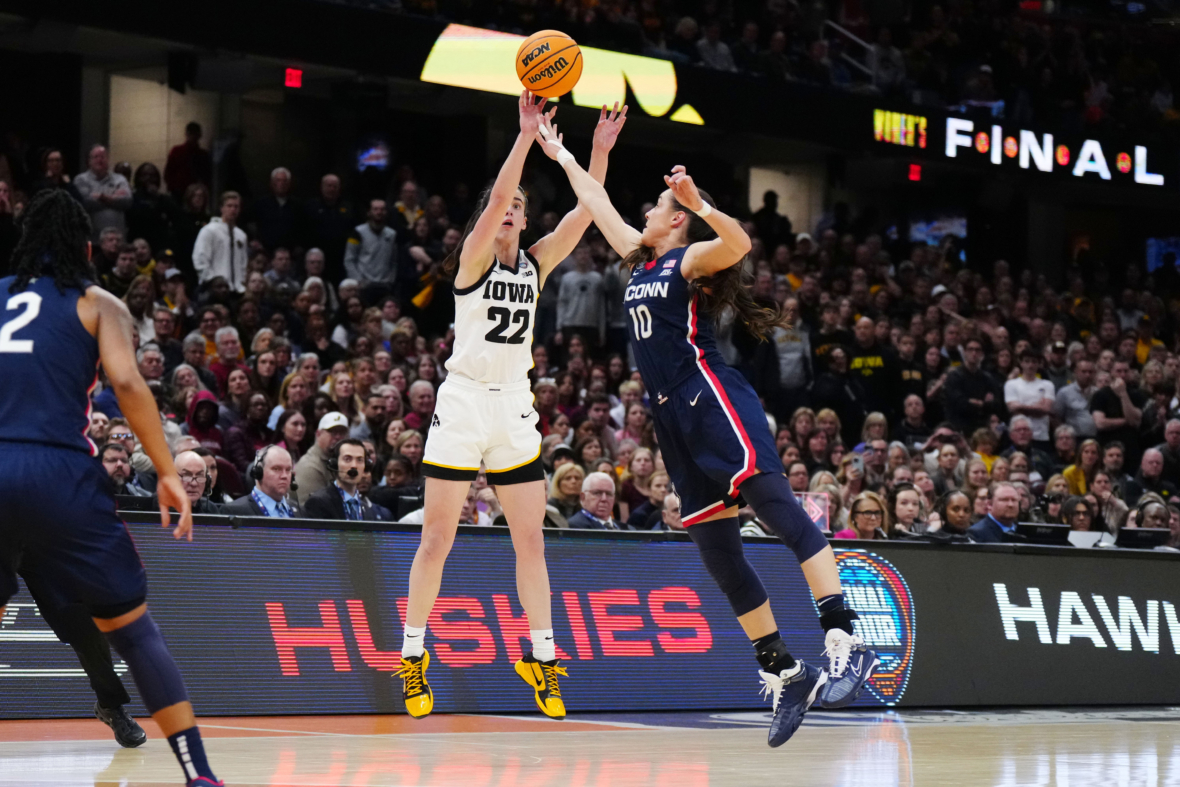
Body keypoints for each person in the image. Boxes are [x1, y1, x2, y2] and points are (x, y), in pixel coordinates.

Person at [537, 119, 877, 748]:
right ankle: (784, 669)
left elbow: (741, 244)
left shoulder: (690, 258)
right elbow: (595, 202)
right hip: (671, 418)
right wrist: (566, 151)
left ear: (674, 221)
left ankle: (846, 634)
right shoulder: (639, 261)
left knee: (774, 505)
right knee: (718, 553)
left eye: (656, 207)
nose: (644, 211)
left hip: (710, 396)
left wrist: (700, 204)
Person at [398, 94, 626, 723]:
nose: (510, 211)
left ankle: (542, 657)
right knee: (437, 538)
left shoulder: (537, 262)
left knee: (531, 540)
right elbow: (497, 197)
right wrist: (526, 137)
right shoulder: (471, 260)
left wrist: (598, 153)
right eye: (505, 206)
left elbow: (588, 212)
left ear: (525, 224)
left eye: (520, 208)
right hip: (463, 402)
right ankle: (413, 655)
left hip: (514, 409)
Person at [0, 190, 220, 787]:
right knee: (133, 629)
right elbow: (125, 381)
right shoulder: (99, 303)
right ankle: (198, 774)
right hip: (58, 475)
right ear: (88, 249)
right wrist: (168, 471)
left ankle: (118, 711)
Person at [302, 439, 389, 520]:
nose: (354, 465)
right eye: (347, 459)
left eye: (359, 460)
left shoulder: (366, 507)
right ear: (335, 464)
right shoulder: (319, 502)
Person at [75, 145, 132, 242]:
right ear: (89, 161)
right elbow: (86, 202)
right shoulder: (81, 180)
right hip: (92, 240)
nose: (99, 160)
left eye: (102, 157)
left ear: (108, 159)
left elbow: (127, 201)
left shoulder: (120, 179)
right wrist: (113, 197)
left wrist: (101, 197)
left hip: (117, 240)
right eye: (96, 157)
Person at [293, 411, 352, 504]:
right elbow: (310, 510)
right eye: (332, 432)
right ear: (318, 434)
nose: (338, 437)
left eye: (342, 433)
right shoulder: (310, 466)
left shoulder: (339, 461)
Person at [1004, 347, 1055, 451]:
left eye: (1034, 362)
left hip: (1041, 436)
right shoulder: (1011, 384)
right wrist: (1037, 407)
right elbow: (1013, 408)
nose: (1030, 365)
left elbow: (1045, 410)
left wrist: (1021, 407)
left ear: (1039, 364)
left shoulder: (1047, 385)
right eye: (1027, 361)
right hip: (1018, 437)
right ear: (1021, 363)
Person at [164, 121, 212, 200]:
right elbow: (168, 173)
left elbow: (168, 173)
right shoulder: (202, 154)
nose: (193, 137)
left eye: (194, 134)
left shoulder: (177, 151)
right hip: (183, 192)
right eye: (192, 134)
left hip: (189, 192)